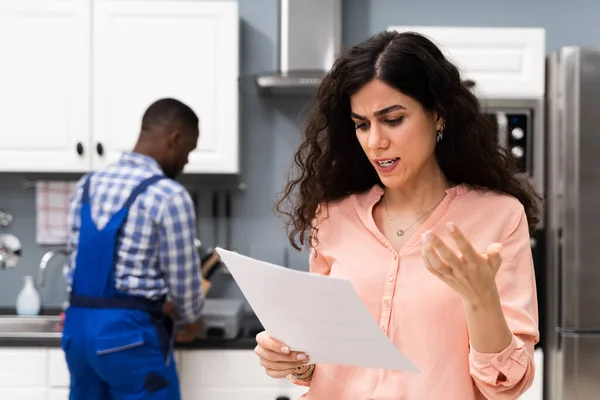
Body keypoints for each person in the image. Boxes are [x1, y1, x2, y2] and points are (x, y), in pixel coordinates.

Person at [254, 31, 541, 400]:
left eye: (393, 119)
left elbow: (504, 385)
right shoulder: (332, 216)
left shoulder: (498, 217)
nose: (375, 141)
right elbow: (327, 359)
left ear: (438, 115)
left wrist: (481, 299)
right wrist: (295, 360)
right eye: (362, 124)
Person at [62, 98, 205, 400]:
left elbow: (74, 267)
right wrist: (191, 321)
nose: (186, 161)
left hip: (78, 335)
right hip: (129, 340)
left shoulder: (87, 185)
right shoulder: (168, 195)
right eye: (188, 151)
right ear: (174, 139)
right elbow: (184, 284)